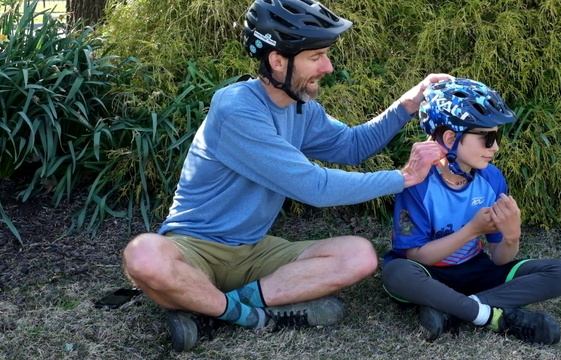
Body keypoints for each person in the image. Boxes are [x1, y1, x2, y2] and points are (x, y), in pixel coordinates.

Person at [122, 0, 452, 352]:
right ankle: (249, 315)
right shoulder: (237, 109)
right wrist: (403, 178)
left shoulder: (301, 110)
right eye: (316, 56)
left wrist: (409, 103)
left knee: (359, 256)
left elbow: (352, 146)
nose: (327, 66)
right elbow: (315, 187)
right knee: (144, 256)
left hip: (253, 251)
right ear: (278, 60)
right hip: (194, 247)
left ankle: (207, 306)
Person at [381, 78, 561, 345]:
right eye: (488, 137)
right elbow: (419, 256)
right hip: (428, 274)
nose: (495, 147)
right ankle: (491, 315)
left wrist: (511, 237)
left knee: (560, 273)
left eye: (497, 137)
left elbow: (499, 259)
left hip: (475, 271)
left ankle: (454, 311)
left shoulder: (491, 179)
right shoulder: (417, 184)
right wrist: (471, 231)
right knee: (396, 274)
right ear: (451, 138)